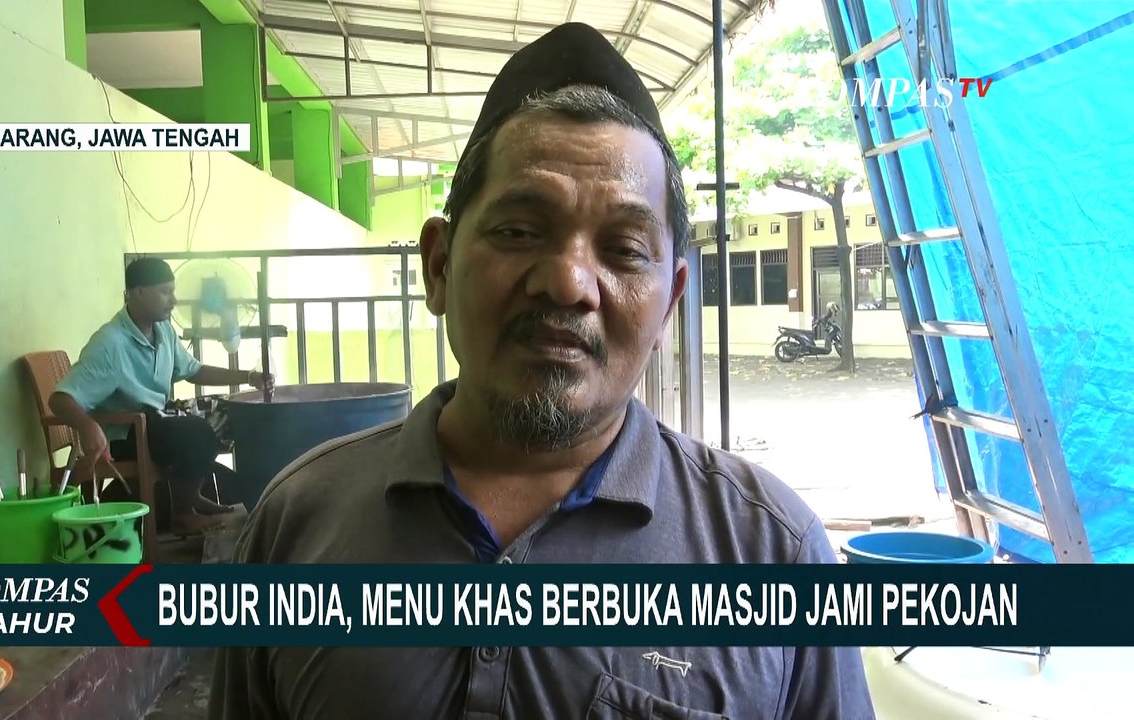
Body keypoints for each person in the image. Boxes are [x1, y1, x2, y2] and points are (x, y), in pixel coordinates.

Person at [209, 22, 875, 720]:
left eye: (622, 248)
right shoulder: (296, 525)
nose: (567, 284)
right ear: (438, 265)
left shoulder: (771, 553)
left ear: (670, 302)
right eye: (520, 231)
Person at [49, 257, 274, 537]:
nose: (174, 300)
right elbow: (60, 399)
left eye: (173, 290)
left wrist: (248, 378)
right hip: (129, 433)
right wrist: (88, 426)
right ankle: (183, 514)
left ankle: (190, 495)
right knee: (194, 432)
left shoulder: (163, 330)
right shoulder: (110, 344)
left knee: (229, 412)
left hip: (160, 419)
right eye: (165, 292)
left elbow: (193, 370)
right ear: (138, 293)